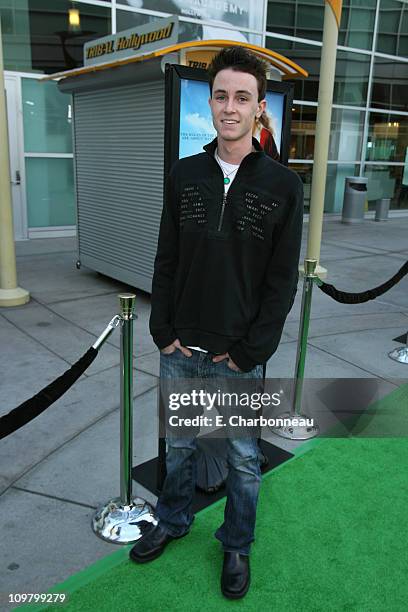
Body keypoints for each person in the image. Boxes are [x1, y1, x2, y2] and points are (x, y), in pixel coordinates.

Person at [129, 46, 304, 600]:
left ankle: (235, 545)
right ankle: (173, 520)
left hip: (238, 355)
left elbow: (281, 282)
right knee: (178, 444)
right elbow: (166, 258)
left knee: (243, 457)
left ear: (259, 109)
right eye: (222, 95)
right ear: (211, 102)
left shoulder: (283, 186)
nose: (230, 107)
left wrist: (252, 350)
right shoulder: (185, 174)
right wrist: (164, 331)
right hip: (181, 346)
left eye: (243, 97)